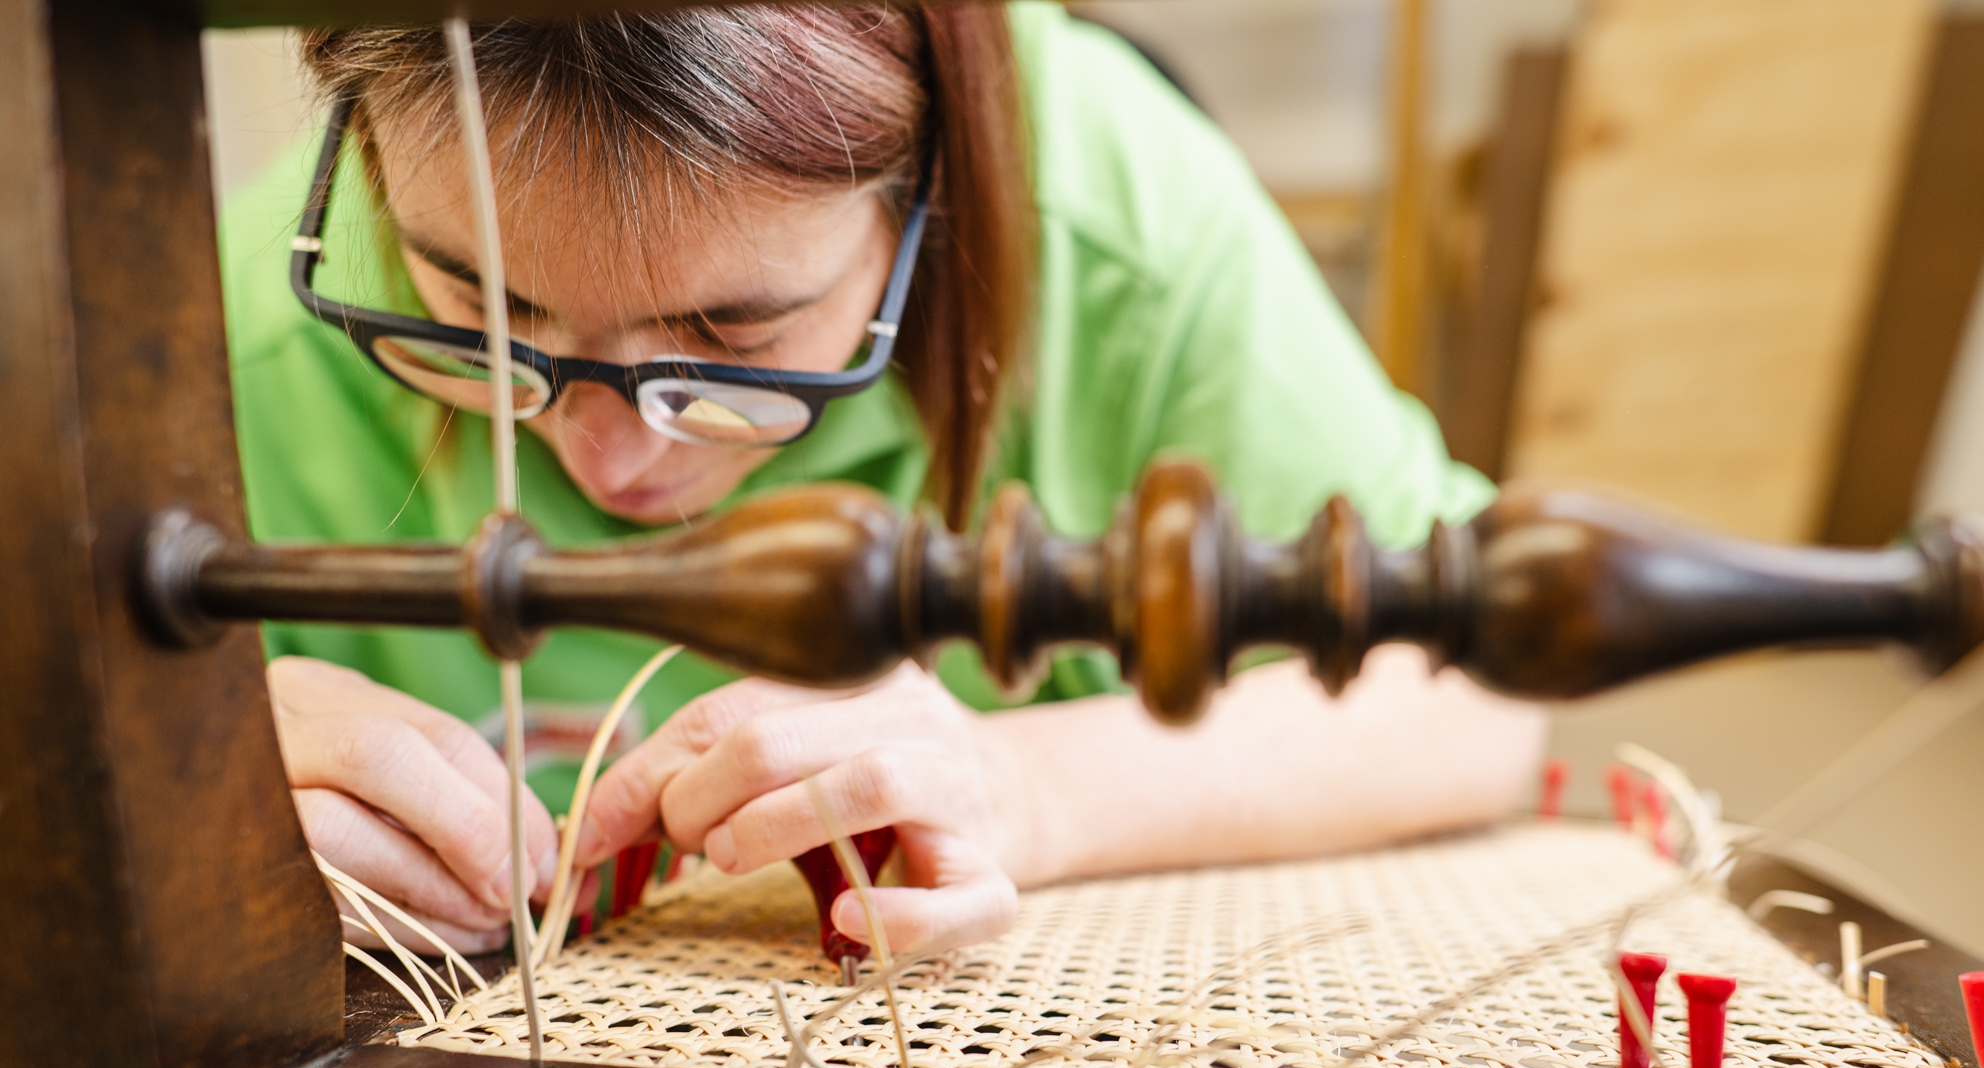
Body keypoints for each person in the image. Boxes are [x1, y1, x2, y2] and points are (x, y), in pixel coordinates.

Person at [223, 3, 1543, 959]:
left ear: (926, 197)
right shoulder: (228, 327)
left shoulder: (1122, 232)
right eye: (475, 304)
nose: (609, 458)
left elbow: (1482, 691)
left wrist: (1025, 787)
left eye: (735, 338)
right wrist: (195, 771)